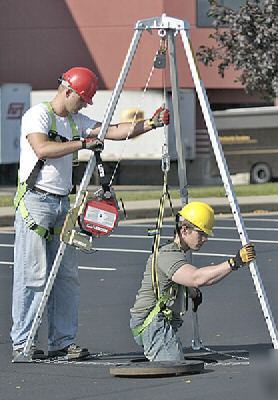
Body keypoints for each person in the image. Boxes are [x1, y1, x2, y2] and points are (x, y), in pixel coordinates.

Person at [11, 66, 170, 362]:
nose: (84, 105)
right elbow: (42, 148)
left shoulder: (76, 120)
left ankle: (62, 341)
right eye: (82, 100)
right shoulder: (39, 115)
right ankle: (24, 342)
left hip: (62, 204)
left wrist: (151, 123)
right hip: (35, 201)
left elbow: (113, 131)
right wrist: (83, 144)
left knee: (66, 276)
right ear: (67, 91)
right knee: (32, 275)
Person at [130, 201, 256, 362]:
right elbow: (196, 278)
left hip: (161, 321)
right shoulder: (168, 255)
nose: (205, 239)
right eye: (201, 233)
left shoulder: (176, 252)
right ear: (184, 230)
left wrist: (192, 292)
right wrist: (235, 262)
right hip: (151, 324)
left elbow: (181, 281)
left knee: (174, 359)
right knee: (174, 365)